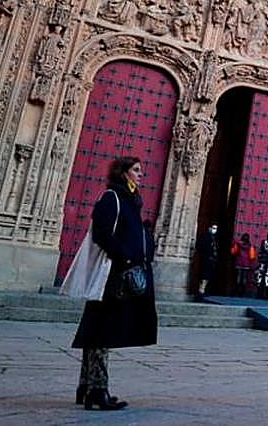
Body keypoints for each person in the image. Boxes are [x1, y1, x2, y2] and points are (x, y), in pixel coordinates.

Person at [71, 157, 157, 411]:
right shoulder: (112, 197)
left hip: (120, 274)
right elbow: (102, 234)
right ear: (123, 172)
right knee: (102, 330)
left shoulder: (131, 199)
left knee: (97, 327)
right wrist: (125, 257)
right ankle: (98, 390)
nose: (141, 174)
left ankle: (86, 386)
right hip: (111, 275)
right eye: (136, 170)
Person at [194, 224, 218, 300]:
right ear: (209, 228)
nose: (214, 230)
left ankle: (203, 290)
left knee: (207, 276)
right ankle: (200, 291)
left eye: (216, 228)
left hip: (211, 260)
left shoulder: (214, 237)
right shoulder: (205, 236)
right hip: (205, 259)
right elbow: (200, 247)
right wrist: (205, 255)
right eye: (213, 228)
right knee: (204, 275)